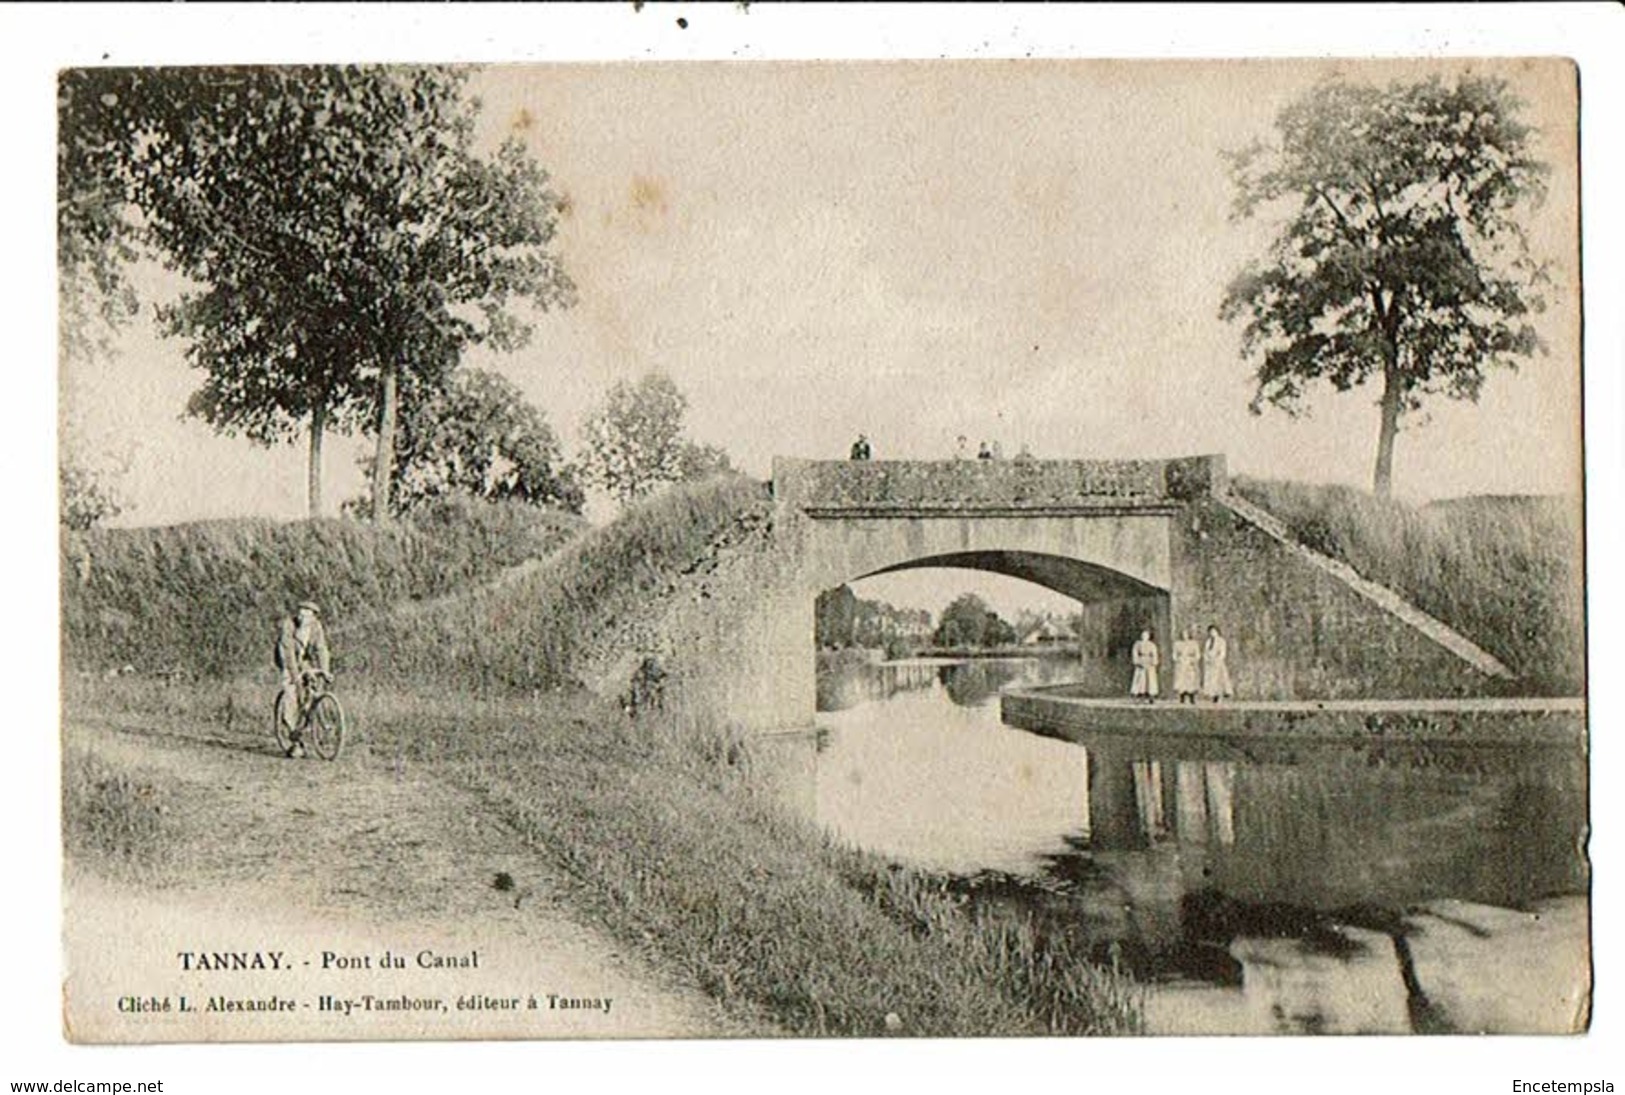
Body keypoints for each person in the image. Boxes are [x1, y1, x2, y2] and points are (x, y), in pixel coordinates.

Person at [275, 599, 332, 758]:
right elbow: (288, 653)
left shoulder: (316, 627)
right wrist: (294, 676)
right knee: (292, 693)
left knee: (313, 684)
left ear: (314, 617)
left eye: (307, 614)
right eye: (301, 612)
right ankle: (293, 735)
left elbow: (322, 649)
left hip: (304, 660)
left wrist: (325, 671)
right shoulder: (289, 625)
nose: (302, 616)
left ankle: (309, 716)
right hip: (287, 660)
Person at [1202, 624, 1234, 703]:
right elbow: (1205, 652)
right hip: (1210, 663)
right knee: (1211, 679)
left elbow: (1222, 653)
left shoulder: (1221, 641)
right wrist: (1207, 659)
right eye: (1210, 632)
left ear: (1217, 631)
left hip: (1218, 663)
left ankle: (1221, 694)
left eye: (1214, 631)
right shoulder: (1208, 641)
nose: (1212, 633)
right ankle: (1213, 695)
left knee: (1219, 679)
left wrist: (1217, 659)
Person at [1172, 627, 1201, 705]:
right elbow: (1174, 655)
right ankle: (1182, 697)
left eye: (1186, 634)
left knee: (1190, 680)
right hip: (1181, 664)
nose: (1184, 636)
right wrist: (1178, 659)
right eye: (1183, 634)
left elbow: (1197, 654)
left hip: (1190, 664)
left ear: (1189, 635)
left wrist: (1193, 660)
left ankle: (1192, 697)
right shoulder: (1177, 644)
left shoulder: (1193, 643)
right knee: (1181, 681)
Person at [1130, 629, 1160, 704]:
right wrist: (1137, 662)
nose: (1144, 637)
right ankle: (1139, 694)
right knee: (1140, 679)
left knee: (1150, 679)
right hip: (1141, 662)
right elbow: (1135, 653)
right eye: (1143, 635)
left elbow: (1154, 654)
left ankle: (1151, 695)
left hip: (1149, 663)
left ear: (1148, 636)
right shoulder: (1138, 644)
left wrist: (1154, 662)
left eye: (1146, 635)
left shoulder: (1151, 645)